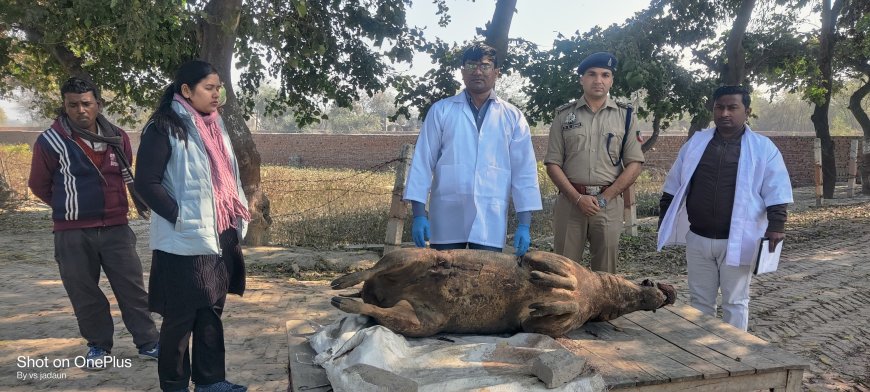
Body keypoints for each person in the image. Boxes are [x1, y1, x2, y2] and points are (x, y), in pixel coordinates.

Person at [28, 77, 160, 369]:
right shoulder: (50, 141)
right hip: (71, 233)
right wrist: (71, 206)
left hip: (116, 228)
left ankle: (149, 342)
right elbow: (39, 185)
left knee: (132, 288)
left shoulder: (118, 138)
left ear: (98, 105)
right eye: (73, 105)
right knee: (83, 292)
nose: (80, 110)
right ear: (65, 106)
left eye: (86, 103)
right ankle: (98, 346)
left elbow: (124, 172)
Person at [135, 60, 250, 392]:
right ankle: (173, 385)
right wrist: (181, 217)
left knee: (211, 310)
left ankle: (210, 381)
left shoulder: (215, 125)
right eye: (208, 88)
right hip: (183, 241)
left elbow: (229, 177)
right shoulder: (164, 127)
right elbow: (146, 183)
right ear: (186, 90)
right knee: (180, 319)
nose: (216, 95)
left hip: (221, 234)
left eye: (219, 88)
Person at [657, 85, 793, 331]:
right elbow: (674, 186)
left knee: (735, 301)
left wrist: (777, 226)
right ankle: (702, 354)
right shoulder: (697, 144)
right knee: (700, 301)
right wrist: (664, 220)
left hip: (739, 238)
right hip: (698, 238)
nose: (725, 113)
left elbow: (776, 189)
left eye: (732, 107)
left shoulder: (763, 148)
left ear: (747, 111)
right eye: (719, 107)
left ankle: (734, 355)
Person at [403, 42, 542, 256]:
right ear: (462, 71)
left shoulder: (512, 116)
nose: (477, 71)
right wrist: (419, 214)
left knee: (484, 282)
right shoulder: (441, 110)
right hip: (447, 215)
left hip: (490, 219)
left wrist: (524, 224)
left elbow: (524, 172)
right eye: (470, 65)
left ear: (496, 72)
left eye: (485, 66)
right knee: (444, 280)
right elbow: (422, 162)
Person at [544, 52, 644, 273]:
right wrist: (577, 198)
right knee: (563, 273)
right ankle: (567, 309)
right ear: (582, 79)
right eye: (592, 74)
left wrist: (605, 199)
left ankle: (604, 310)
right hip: (571, 204)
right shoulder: (563, 116)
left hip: (607, 205)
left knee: (605, 275)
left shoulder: (625, 116)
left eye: (605, 75)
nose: (598, 80)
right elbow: (552, 164)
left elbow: (635, 163)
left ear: (611, 80)